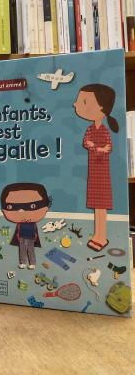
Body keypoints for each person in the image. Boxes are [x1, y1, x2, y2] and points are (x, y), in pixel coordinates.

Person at [73, 83, 119, 252]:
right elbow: (87, 143)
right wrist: (97, 148)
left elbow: (108, 147)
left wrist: (97, 148)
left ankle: (102, 236)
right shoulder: (90, 129)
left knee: (102, 205)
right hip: (93, 170)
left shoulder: (104, 130)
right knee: (96, 204)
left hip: (102, 171)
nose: (75, 105)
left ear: (101, 107)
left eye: (83, 102)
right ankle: (97, 234)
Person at [1, 183, 50, 269]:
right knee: (22, 250)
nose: (21, 211)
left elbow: (35, 230)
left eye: (32, 206)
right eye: (12, 206)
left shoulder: (32, 222)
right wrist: (18, 236)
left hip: (30, 237)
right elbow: (18, 229)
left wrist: (35, 237)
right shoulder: (20, 222)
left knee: (30, 250)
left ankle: (32, 263)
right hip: (22, 237)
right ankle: (23, 262)